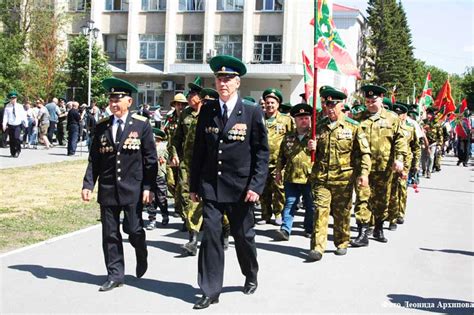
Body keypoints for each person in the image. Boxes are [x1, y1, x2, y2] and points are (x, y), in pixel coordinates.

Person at [190, 55, 269, 309]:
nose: (222, 83)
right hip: (212, 187)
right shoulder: (208, 111)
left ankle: (250, 273)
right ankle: (210, 290)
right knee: (211, 237)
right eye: (219, 78)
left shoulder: (251, 111)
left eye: (227, 79)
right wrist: (194, 185)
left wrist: (256, 187)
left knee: (243, 236)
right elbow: (199, 150)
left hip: (241, 189)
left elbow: (261, 153)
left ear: (237, 82)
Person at [81, 77, 157, 292]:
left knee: (133, 230)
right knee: (110, 234)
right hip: (108, 188)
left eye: (118, 99)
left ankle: (141, 251)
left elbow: (150, 159)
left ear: (129, 102)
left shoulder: (142, 125)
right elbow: (94, 159)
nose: (114, 103)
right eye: (111, 99)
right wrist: (88, 184)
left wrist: (148, 188)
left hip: (133, 188)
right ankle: (115, 274)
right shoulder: (102, 126)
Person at [307, 86, 371, 261]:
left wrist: (364, 174)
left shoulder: (353, 127)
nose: (329, 108)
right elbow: (311, 152)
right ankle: (317, 247)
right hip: (321, 178)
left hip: (343, 179)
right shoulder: (319, 126)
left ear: (341, 105)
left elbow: (364, 153)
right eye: (326, 105)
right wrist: (311, 147)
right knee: (320, 210)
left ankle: (342, 241)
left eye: (332, 104)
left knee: (342, 212)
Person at [351, 85, 406, 245]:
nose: (369, 104)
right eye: (367, 101)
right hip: (363, 168)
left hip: (384, 167)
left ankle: (379, 228)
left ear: (381, 99)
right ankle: (362, 232)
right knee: (362, 198)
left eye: (373, 100)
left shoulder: (392, 118)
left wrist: (400, 158)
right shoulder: (358, 118)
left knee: (381, 199)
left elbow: (400, 139)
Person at [274, 103, 314, 241]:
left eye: (306, 118)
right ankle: (285, 229)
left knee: (310, 204)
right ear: (295, 120)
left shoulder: (316, 136)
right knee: (290, 202)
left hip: (310, 177)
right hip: (291, 176)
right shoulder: (288, 137)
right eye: (300, 118)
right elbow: (281, 156)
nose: (304, 120)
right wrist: (278, 171)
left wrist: (316, 147)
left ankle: (309, 228)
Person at [259, 88, 294, 225]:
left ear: (278, 104)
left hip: (279, 162)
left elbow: (292, 137)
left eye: (273, 103)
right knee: (262, 189)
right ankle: (265, 214)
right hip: (261, 161)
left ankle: (278, 213)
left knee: (279, 189)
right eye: (267, 103)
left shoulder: (286, 120)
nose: (270, 105)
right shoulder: (259, 118)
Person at [387, 102, 421, 229]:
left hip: (404, 164)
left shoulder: (410, 128)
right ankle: (387, 213)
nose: (397, 115)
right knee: (388, 189)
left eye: (400, 114)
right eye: (395, 113)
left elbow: (416, 147)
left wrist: (415, 164)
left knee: (400, 189)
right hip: (389, 163)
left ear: (404, 115)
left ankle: (397, 215)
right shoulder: (388, 126)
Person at [164, 93, 188, 219]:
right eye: (178, 104)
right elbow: (166, 135)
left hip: (184, 155)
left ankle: (181, 210)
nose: (180, 106)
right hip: (171, 154)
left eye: (182, 104)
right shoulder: (169, 119)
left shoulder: (187, 118)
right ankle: (178, 203)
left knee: (182, 183)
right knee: (171, 182)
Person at [146, 128, 170, 229]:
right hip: (148, 176)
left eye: (156, 140)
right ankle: (152, 219)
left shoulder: (163, 148)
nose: (154, 142)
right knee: (150, 199)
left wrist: (165, 159)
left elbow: (169, 158)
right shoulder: (146, 148)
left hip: (160, 175)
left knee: (161, 198)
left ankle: (165, 215)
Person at [2, 91, 27, 157]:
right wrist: (4, 124)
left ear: (16, 98)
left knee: (16, 138)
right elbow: (5, 116)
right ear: (10, 99)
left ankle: (18, 150)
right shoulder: (7, 106)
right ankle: (12, 152)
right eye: (12, 98)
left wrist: (25, 123)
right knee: (11, 139)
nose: (13, 99)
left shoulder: (20, 106)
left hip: (18, 124)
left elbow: (23, 115)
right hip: (10, 124)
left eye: (14, 98)